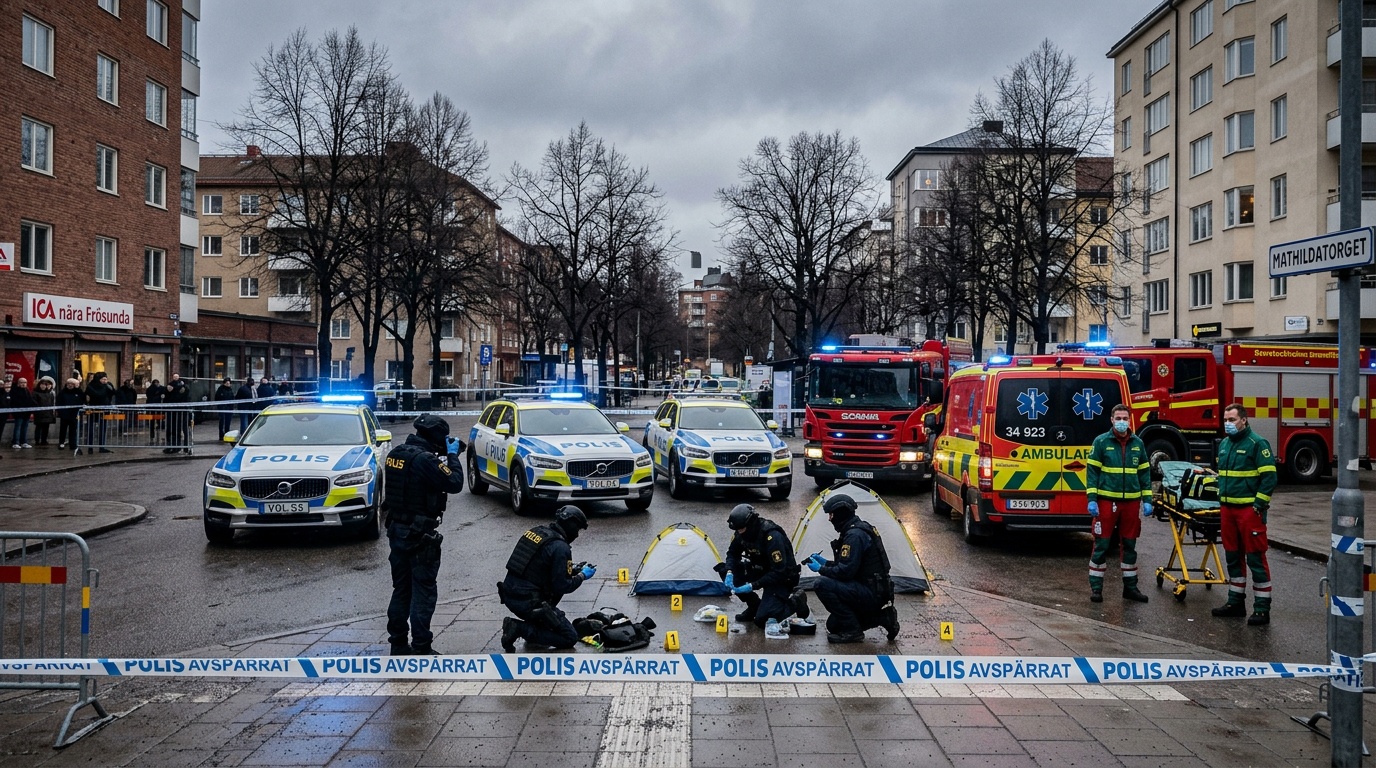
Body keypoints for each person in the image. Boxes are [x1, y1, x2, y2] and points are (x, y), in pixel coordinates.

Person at [383, 414, 464, 655]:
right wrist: (451, 456)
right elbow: (456, 482)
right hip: (419, 534)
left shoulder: (396, 454)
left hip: (396, 529)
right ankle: (421, 646)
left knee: (401, 589)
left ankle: (397, 642)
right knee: (424, 591)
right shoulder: (425, 460)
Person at [1212, 403, 1278, 626]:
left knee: (1255, 558)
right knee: (1232, 557)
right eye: (1225, 420)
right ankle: (1235, 603)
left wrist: (1259, 505)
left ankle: (1261, 609)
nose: (1228, 424)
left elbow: (1269, 477)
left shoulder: (1257, 444)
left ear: (1244, 420)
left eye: (1232, 420)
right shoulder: (1224, 445)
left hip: (1249, 511)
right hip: (1228, 510)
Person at [804, 493, 899, 643]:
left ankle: (853, 632)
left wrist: (821, 569)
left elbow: (845, 572)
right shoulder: (857, 529)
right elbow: (849, 564)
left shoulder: (854, 536)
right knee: (833, 625)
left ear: (840, 513)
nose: (830, 519)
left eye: (831, 514)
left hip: (870, 592)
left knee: (821, 584)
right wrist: (825, 563)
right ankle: (883, 618)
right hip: (872, 589)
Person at [499, 505, 594, 653]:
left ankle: (534, 627)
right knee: (569, 637)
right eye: (578, 529)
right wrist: (582, 576)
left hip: (510, 595)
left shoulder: (536, 532)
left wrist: (572, 569)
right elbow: (562, 586)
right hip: (529, 603)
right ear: (571, 524)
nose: (577, 535)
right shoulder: (560, 547)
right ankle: (519, 628)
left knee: (545, 630)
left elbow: (535, 565)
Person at [1085, 404, 1153, 604]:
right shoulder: (1101, 442)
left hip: (1131, 502)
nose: (1122, 422)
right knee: (1102, 544)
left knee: (1130, 545)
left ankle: (1130, 589)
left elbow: (1144, 474)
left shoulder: (1137, 444)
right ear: (1111, 420)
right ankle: (1096, 589)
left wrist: (1148, 501)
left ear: (1130, 420)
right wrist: (1092, 499)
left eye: (1125, 418)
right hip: (1107, 501)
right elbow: (1092, 473)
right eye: (1118, 418)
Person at [720, 503, 809, 632]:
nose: (739, 532)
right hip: (760, 570)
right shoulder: (741, 532)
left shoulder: (771, 536)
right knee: (724, 569)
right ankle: (754, 606)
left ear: (750, 524)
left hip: (782, 577)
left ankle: (797, 601)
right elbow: (732, 553)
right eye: (737, 530)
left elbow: (779, 571)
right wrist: (729, 571)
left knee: (762, 620)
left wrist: (753, 585)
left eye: (741, 529)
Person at [164, 373, 192, 455]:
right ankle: (174, 446)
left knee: (182, 429)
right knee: (174, 429)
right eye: (174, 376)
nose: (175, 378)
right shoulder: (171, 386)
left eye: (177, 376)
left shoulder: (184, 387)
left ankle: (183, 447)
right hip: (175, 411)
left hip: (180, 412)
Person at [56, 378, 83, 450]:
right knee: (63, 429)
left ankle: (72, 444)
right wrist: (60, 412)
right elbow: (58, 402)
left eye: (72, 384)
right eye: (68, 384)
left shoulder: (78, 392)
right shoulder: (62, 392)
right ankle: (61, 443)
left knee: (73, 430)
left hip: (74, 414)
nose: (70, 385)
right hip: (64, 414)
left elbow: (82, 400)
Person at [8, 378, 35, 449]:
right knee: (18, 427)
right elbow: (13, 402)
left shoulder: (27, 391)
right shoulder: (14, 391)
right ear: (18, 383)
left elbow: (30, 400)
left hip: (26, 413)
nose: (23, 384)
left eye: (25, 382)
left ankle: (24, 442)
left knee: (25, 428)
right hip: (18, 413)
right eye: (22, 382)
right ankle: (15, 442)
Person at [31, 377, 55, 447]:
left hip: (48, 414)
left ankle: (44, 440)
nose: (43, 386)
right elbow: (34, 402)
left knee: (46, 428)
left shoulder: (50, 394)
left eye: (45, 385)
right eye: (42, 384)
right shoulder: (35, 393)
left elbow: (51, 403)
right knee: (38, 427)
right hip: (39, 414)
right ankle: (37, 440)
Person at [145, 378, 167, 445]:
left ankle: (158, 436)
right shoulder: (150, 389)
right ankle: (153, 436)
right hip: (154, 408)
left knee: (159, 422)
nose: (157, 384)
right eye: (156, 383)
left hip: (158, 409)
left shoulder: (161, 389)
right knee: (153, 423)